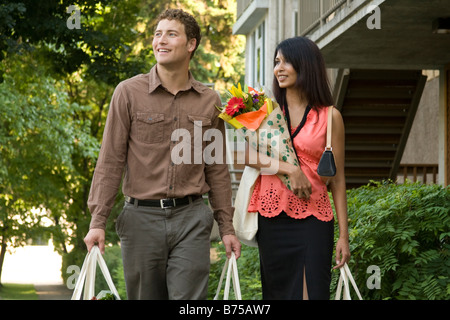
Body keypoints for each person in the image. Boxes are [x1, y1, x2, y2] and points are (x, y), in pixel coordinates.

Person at [84, 8, 241, 300]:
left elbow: (216, 168)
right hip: (141, 219)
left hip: (191, 218)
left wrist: (226, 227)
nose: (161, 41)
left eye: (171, 34)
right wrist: (98, 222)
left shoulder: (210, 101)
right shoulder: (128, 93)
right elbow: (110, 161)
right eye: (157, 34)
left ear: (191, 44)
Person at [245, 36, 350, 300]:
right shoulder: (264, 112)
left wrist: (344, 236)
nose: (278, 68)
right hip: (272, 218)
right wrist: (289, 170)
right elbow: (246, 155)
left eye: (286, 61)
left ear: (306, 65)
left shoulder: (330, 116)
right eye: (276, 62)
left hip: (314, 217)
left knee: (311, 294)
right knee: (277, 293)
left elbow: (337, 180)